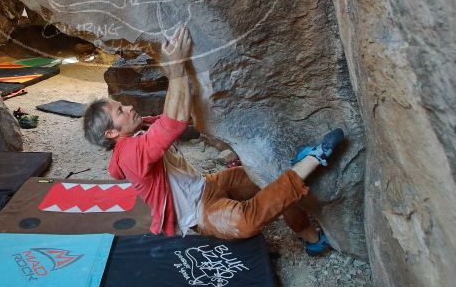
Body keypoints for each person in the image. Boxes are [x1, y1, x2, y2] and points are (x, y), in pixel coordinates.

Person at [82, 25, 343, 252]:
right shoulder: (128, 155)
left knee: (267, 175)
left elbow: (175, 113)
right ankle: (311, 160)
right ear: (111, 133)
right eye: (120, 111)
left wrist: (180, 69)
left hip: (209, 184)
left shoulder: (139, 129)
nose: (128, 107)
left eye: (122, 105)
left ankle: (308, 236)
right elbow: (172, 124)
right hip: (200, 212)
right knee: (245, 222)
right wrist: (176, 66)